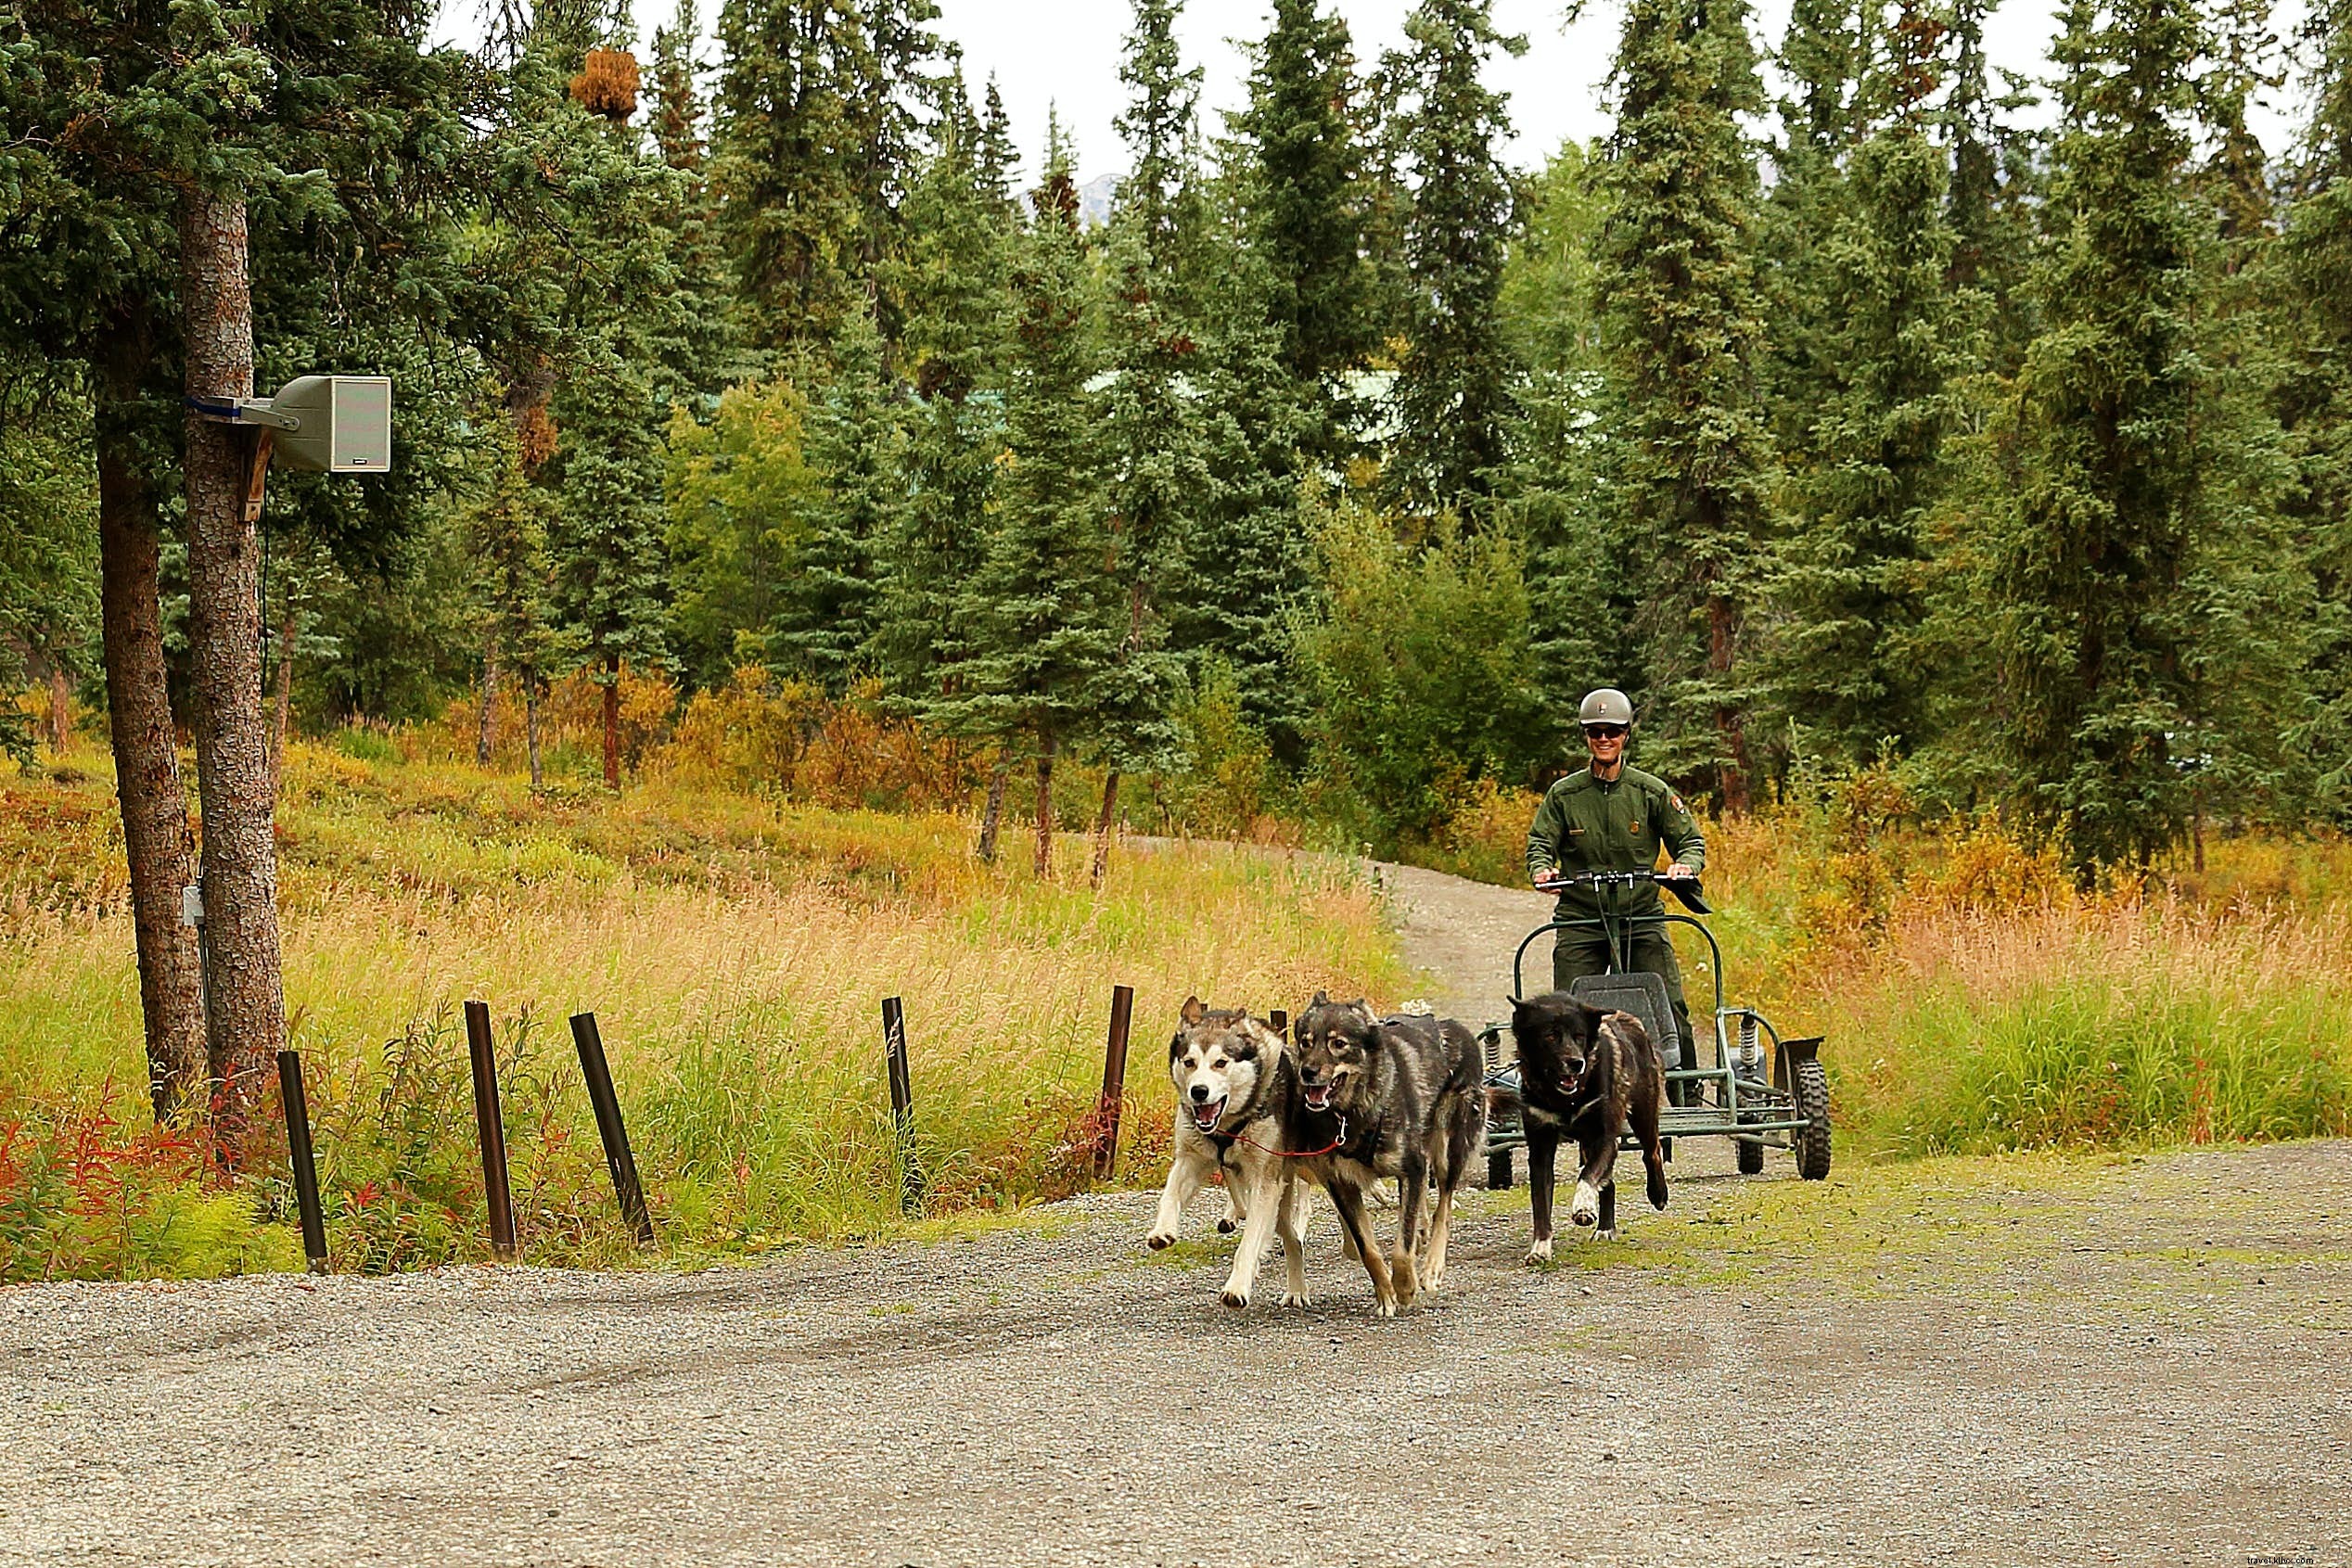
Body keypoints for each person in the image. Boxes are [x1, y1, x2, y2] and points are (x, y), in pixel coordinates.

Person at [1523, 687, 1706, 1063]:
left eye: (1613, 731)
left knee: (1669, 1005)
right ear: (1586, 736)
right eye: (1595, 732)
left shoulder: (1650, 792)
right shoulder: (1564, 795)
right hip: (1582, 916)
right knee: (1566, 1011)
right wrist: (1542, 869)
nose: (1604, 739)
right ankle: (1568, 1089)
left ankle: (1686, 1091)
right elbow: (1540, 841)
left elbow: (1690, 840)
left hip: (1640, 914)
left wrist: (1683, 865)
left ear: (1626, 735)